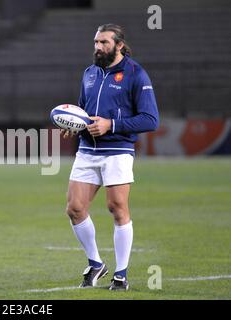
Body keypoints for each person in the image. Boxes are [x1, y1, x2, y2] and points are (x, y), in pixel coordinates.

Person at [62, 24, 159, 291]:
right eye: (95, 42)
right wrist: (75, 125)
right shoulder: (90, 73)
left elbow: (151, 119)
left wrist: (110, 125)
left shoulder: (136, 74)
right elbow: (82, 110)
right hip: (87, 150)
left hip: (117, 150)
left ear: (118, 45)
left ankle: (121, 273)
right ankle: (96, 263)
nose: (97, 47)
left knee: (117, 209)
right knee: (75, 208)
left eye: (104, 42)